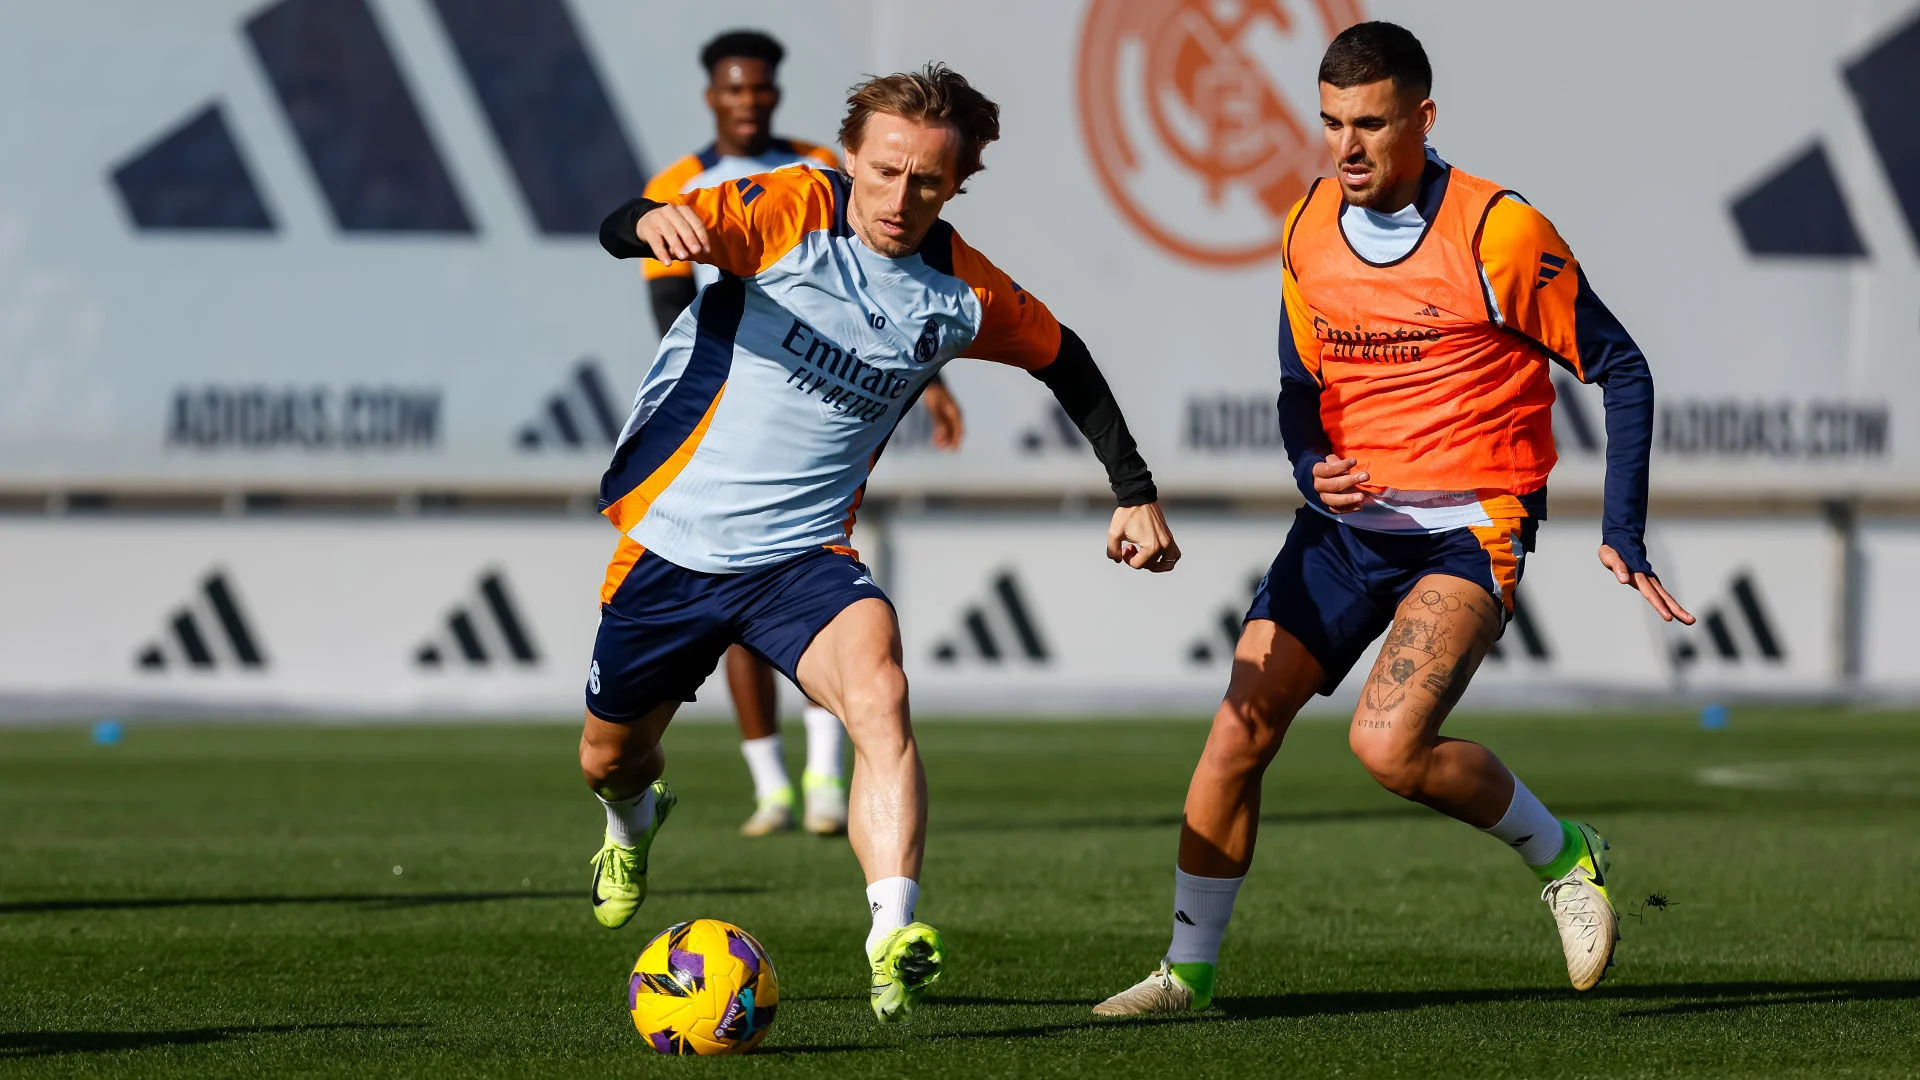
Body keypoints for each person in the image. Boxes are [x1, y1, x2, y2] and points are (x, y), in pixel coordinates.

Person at [1095, 21, 1694, 1016]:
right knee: (1235, 738)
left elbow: (1620, 366)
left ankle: (1566, 855)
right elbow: (1296, 385)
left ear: (1422, 117)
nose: (1346, 148)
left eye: (1370, 123)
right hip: (1345, 530)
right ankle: (1186, 973)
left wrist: (1622, 528)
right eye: (1329, 123)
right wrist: (1305, 461)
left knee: (1386, 750)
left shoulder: (1499, 231)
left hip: (1469, 525)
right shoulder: (1307, 227)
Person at [582, 63, 1180, 1024]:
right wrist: (649, 224)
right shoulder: (788, 209)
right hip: (671, 546)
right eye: (887, 171)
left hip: (803, 558)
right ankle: (631, 821)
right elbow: (631, 222)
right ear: (848, 157)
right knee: (609, 759)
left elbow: (1065, 357)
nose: (903, 199)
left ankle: (890, 931)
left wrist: (1134, 491)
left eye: (929, 182)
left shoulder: (960, 290)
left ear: (956, 185)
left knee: (882, 695)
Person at [640, 30, 966, 840]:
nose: (748, 101)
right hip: (732, 410)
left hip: (828, 407)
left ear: (774, 95)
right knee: (731, 613)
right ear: (713, 94)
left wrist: (936, 386)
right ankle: (772, 786)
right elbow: (666, 303)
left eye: (760, 90)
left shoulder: (826, 167)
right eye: (734, 89)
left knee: (809, 587)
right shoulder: (678, 184)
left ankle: (824, 778)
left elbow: (895, 296)